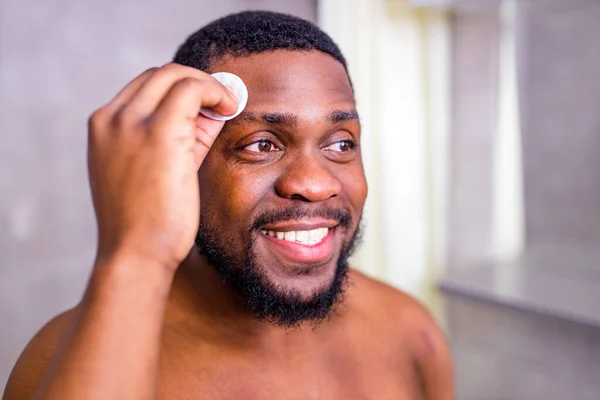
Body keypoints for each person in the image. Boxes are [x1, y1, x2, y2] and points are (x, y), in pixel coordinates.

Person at [3, 11, 454, 400]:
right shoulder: (65, 362)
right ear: (182, 165)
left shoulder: (409, 332)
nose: (315, 184)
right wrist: (136, 252)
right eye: (261, 145)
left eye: (340, 143)